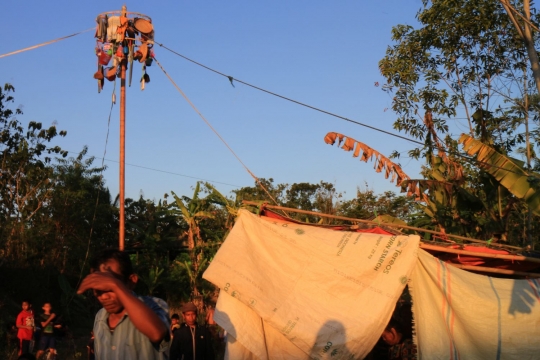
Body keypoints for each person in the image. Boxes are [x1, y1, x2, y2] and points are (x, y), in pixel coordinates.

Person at [77, 248, 170, 360]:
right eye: (98, 290)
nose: (104, 297)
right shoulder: (100, 317)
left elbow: (156, 333)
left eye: (110, 288)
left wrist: (114, 284)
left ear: (131, 281)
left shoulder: (156, 305)